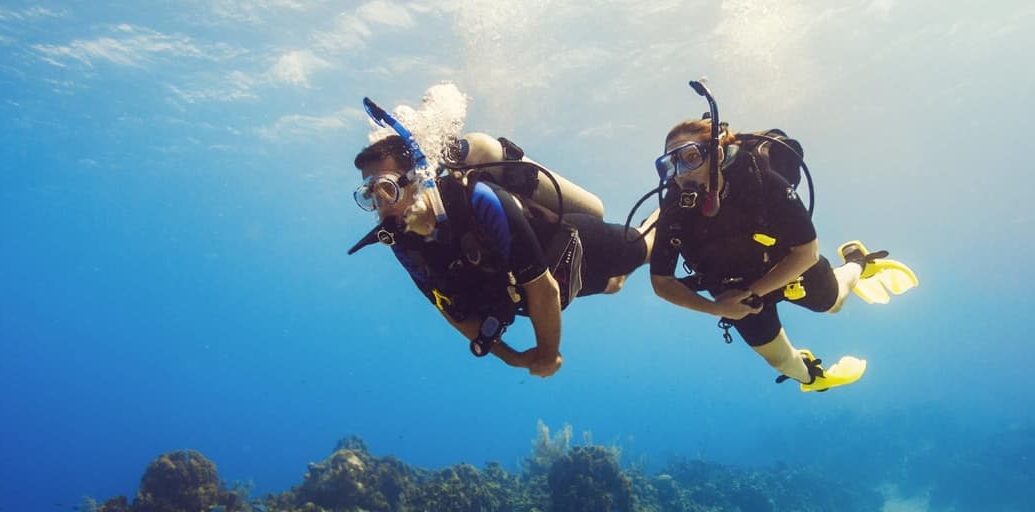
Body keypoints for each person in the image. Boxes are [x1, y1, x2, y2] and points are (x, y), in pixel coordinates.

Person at [648, 115, 917, 392]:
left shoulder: (759, 180)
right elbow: (661, 282)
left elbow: (807, 252)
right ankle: (813, 378)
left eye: (690, 157)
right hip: (730, 291)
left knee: (833, 303)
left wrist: (754, 292)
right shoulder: (675, 209)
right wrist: (717, 308)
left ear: (716, 154)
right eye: (670, 164)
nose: (681, 172)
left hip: (786, 267)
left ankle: (858, 262)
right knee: (779, 360)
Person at [352, 132, 654, 378]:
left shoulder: (478, 200)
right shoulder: (402, 243)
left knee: (644, 247)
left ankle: (669, 212)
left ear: (417, 178)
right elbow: (447, 307)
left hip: (571, 247)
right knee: (614, 285)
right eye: (371, 196)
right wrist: (511, 357)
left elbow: (543, 288)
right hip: (533, 291)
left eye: (387, 190)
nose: (381, 207)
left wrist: (547, 355)